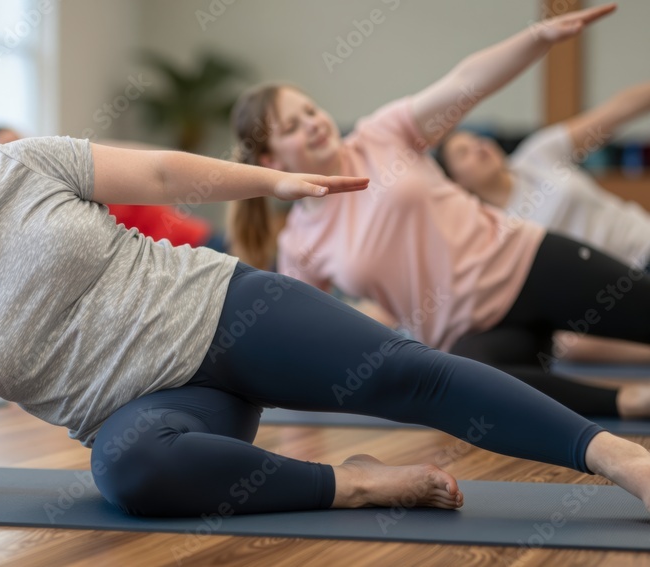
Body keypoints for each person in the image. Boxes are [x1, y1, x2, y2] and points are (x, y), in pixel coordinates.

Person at [0, 93, 650, 518]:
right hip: (157, 410)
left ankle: (614, 454)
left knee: (411, 375)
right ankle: (352, 485)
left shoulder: (18, 169)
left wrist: (273, 180)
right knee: (126, 472)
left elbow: (161, 173)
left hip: (228, 310)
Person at [227, 5, 650, 422]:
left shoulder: (380, 135)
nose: (313, 124)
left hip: (528, 265)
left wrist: (536, 38)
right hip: (471, 337)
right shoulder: (300, 242)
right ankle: (628, 402)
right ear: (272, 161)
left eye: (310, 111)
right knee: (471, 389)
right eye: (291, 127)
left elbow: (465, 82)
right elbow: (308, 337)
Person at [437, 81, 650, 365]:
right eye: (463, 153)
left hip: (643, 242)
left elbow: (613, 113)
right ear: (457, 184)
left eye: (476, 139)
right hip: (611, 297)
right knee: (567, 344)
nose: (478, 147)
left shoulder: (536, 155)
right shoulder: (490, 233)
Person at [0, 126, 224, 250]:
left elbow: (151, 160)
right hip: (168, 261)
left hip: (198, 238)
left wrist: (90, 150)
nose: (16, 152)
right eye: (5, 150)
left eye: (19, 142)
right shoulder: (35, 210)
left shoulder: (69, 167)